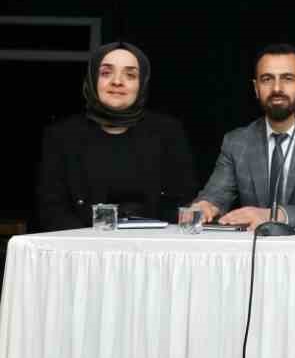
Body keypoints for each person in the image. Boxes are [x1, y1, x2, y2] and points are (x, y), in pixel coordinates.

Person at [192, 44, 295, 231]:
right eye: (267, 79)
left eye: (288, 78)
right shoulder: (237, 142)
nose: (277, 88)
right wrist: (205, 206)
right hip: (252, 246)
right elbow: (216, 195)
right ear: (256, 88)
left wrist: (272, 216)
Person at [36, 41, 196, 230]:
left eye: (130, 75)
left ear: (142, 83)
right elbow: (52, 208)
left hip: (153, 242)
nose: (117, 82)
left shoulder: (168, 132)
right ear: (92, 79)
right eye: (106, 73)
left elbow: (182, 201)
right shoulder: (62, 136)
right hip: (81, 242)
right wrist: (89, 242)